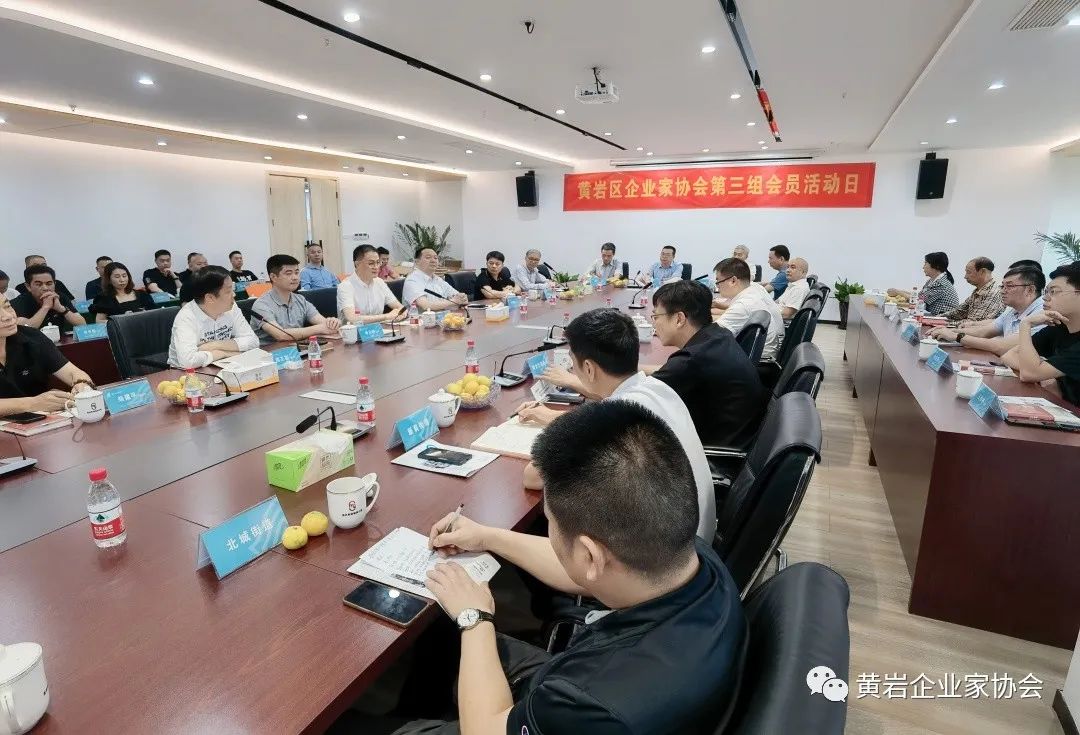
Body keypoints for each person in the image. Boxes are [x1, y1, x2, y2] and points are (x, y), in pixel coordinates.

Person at [345, 400, 744, 735]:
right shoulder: (686, 554)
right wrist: (487, 537)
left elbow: (485, 730)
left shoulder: (589, 702)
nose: (550, 532)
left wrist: (475, 619)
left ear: (590, 556)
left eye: (550, 523)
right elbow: (581, 569)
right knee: (441, 635)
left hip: (529, 715)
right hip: (592, 676)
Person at [518, 308, 716, 541]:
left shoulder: (612, 416)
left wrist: (560, 426)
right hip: (698, 536)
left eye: (573, 363)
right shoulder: (657, 388)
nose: (572, 369)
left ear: (589, 368)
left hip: (665, 548)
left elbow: (532, 478)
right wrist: (553, 417)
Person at [642, 280, 767, 449]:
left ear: (679, 319)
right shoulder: (718, 335)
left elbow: (635, 401)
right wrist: (634, 369)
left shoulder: (691, 360)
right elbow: (670, 372)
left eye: (656, 317)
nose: (654, 323)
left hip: (713, 454)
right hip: (738, 438)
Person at [0, 294, 97, 418]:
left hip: (42, 422)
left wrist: (82, 385)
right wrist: (33, 403)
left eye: (7, 306)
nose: (8, 316)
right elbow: (35, 403)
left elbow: (73, 373)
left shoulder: (32, 337)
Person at [1001, 261, 1080, 405]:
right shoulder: (1058, 327)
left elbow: (1029, 374)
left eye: (1053, 292)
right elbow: (1008, 356)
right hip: (1059, 407)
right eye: (1046, 292)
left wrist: (1026, 324)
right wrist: (1044, 374)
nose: (1045, 297)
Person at [930, 266, 1045, 356]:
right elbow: (984, 332)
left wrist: (957, 336)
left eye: (1009, 286)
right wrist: (949, 331)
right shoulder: (1013, 310)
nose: (1003, 291)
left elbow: (1001, 346)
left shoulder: (1042, 314)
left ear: (1030, 290)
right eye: (1002, 286)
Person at [167, 266, 259, 368]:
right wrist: (224, 353)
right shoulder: (186, 317)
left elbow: (253, 341)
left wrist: (214, 345)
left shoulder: (231, 307)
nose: (234, 295)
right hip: (185, 373)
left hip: (223, 364)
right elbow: (188, 361)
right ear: (210, 298)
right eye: (228, 291)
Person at [250, 255, 341, 342]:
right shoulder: (261, 305)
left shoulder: (300, 300)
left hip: (297, 348)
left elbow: (323, 323)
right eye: (288, 273)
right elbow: (281, 335)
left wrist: (332, 323)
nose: (295, 278)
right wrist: (319, 328)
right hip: (270, 350)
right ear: (273, 277)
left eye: (297, 273)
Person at [712, 257, 784, 360]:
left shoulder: (743, 304)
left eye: (718, 281)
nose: (717, 286)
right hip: (761, 355)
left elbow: (712, 336)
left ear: (733, 280)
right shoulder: (753, 290)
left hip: (757, 361)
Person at [336, 245, 407, 325]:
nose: (376, 267)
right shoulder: (345, 286)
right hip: (354, 331)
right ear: (357, 264)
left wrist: (400, 314)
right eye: (371, 263)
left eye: (378, 262)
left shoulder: (380, 282)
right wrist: (386, 316)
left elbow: (400, 307)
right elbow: (352, 318)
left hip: (380, 330)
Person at [11, 265, 86, 332]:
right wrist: (45, 307)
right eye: (38, 284)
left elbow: (82, 324)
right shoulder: (18, 302)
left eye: (49, 284)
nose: (45, 288)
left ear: (54, 284)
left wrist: (61, 309)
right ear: (28, 287)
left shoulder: (60, 297)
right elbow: (28, 330)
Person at [888, 252, 959, 316]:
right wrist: (900, 291)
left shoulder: (941, 284)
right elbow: (920, 295)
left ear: (936, 266)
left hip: (941, 319)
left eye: (925, 263)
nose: (923, 267)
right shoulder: (933, 280)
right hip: (934, 316)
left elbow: (919, 301)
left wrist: (898, 292)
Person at [940, 256, 1004, 324]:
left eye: (969, 272)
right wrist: (936, 318)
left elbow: (975, 322)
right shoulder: (979, 290)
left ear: (982, 271)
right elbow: (958, 312)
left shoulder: (993, 293)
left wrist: (948, 323)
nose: (965, 276)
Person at [401, 247, 468, 311]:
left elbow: (457, 296)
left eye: (435, 258)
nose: (433, 261)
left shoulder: (438, 279)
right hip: (420, 318)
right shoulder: (412, 280)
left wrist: (462, 298)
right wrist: (454, 301)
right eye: (428, 257)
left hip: (443, 316)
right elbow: (425, 306)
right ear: (417, 262)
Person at [90, 262, 154, 323]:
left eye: (124, 276)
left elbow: (155, 313)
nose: (122, 280)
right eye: (117, 277)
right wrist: (121, 321)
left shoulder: (141, 294)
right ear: (109, 279)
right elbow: (99, 320)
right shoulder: (104, 298)